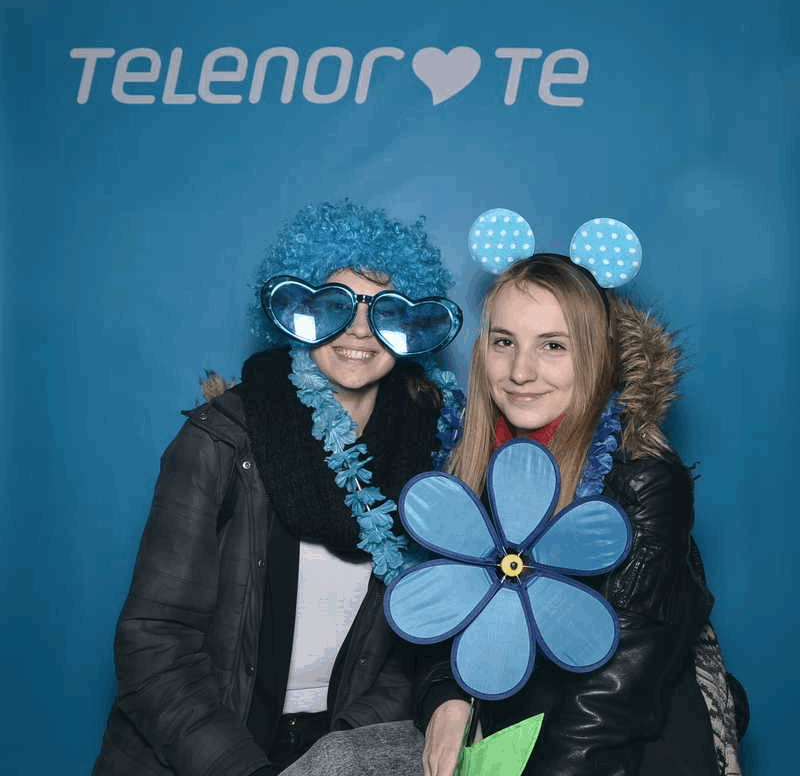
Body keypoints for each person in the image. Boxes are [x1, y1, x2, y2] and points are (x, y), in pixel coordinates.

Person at [280, 252, 746, 776]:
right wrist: (446, 701)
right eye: (504, 342)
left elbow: (618, 691)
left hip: (610, 746)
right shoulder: (470, 462)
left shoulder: (641, 478)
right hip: (503, 730)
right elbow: (446, 615)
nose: (521, 372)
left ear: (596, 357)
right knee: (335, 761)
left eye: (553, 346)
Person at [92, 200, 464, 776]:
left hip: (328, 750)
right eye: (335, 305)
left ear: (411, 325)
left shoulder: (430, 453)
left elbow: (413, 646)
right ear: (298, 310)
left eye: (384, 310)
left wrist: (338, 757)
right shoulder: (221, 439)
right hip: (197, 756)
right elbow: (154, 643)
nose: (359, 329)